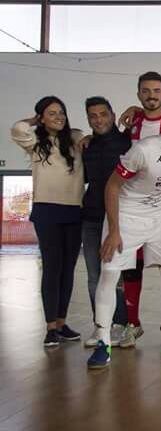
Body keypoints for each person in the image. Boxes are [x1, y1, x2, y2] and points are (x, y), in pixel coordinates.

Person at [86, 100, 161, 369]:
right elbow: (112, 186)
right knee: (109, 274)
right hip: (126, 216)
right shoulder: (144, 150)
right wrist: (114, 230)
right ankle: (103, 343)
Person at [116, 71, 161, 348]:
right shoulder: (132, 122)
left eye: (156, 90)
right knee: (133, 265)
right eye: (146, 91)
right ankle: (133, 323)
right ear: (138, 95)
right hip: (133, 205)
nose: (151, 95)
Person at [11, 96, 85, 347]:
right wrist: (34, 119)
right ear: (42, 117)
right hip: (47, 212)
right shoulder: (36, 142)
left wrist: (54, 121)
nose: (59, 117)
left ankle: (62, 323)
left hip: (74, 211)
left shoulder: (74, 141)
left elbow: (86, 138)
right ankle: (50, 327)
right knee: (52, 269)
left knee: (67, 270)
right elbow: (18, 129)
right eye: (52, 113)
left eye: (61, 112)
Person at [81, 96, 131, 348]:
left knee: (114, 275)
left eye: (103, 114)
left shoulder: (127, 142)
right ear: (89, 119)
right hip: (90, 218)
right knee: (93, 276)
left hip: (118, 219)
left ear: (112, 115)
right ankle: (102, 325)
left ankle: (121, 324)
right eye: (93, 116)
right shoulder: (86, 147)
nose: (99, 119)